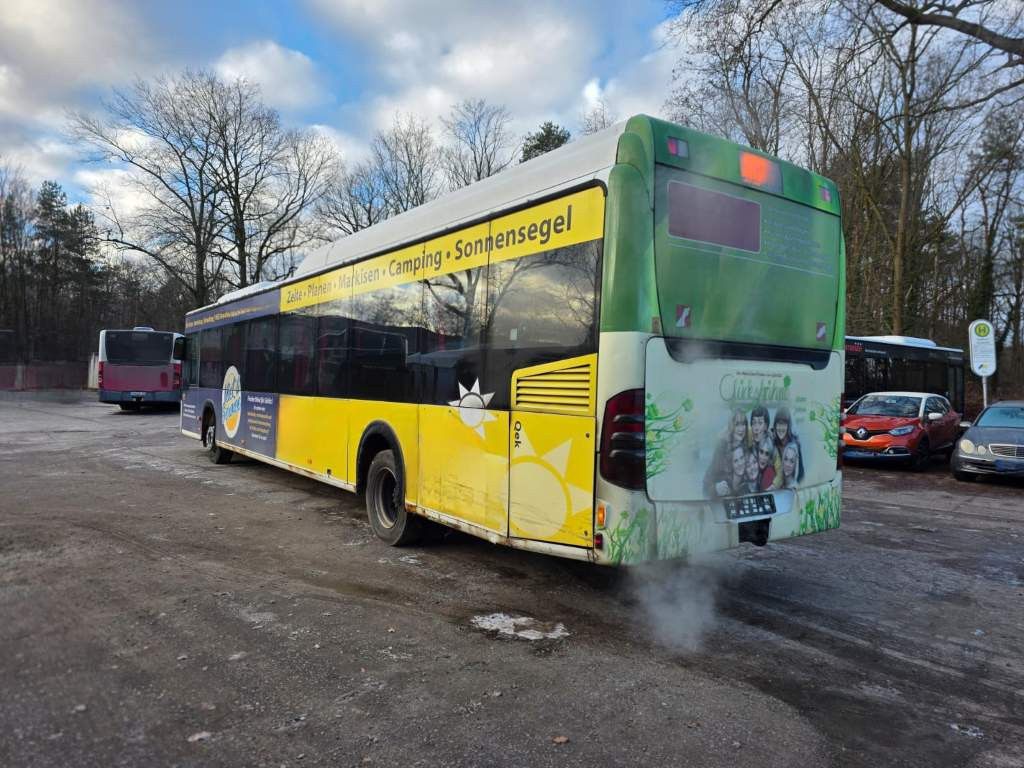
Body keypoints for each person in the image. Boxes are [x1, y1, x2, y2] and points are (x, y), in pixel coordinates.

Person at [703, 408, 751, 497]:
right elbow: (706, 485)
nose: (741, 429)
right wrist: (716, 489)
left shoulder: (747, 445)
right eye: (737, 424)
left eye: (743, 424)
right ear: (731, 426)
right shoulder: (722, 448)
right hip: (723, 497)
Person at [772, 406, 805, 482]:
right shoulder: (773, 442)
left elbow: (801, 473)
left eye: (784, 424)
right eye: (778, 424)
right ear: (775, 425)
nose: (781, 428)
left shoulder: (795, 444)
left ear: (788, 426)